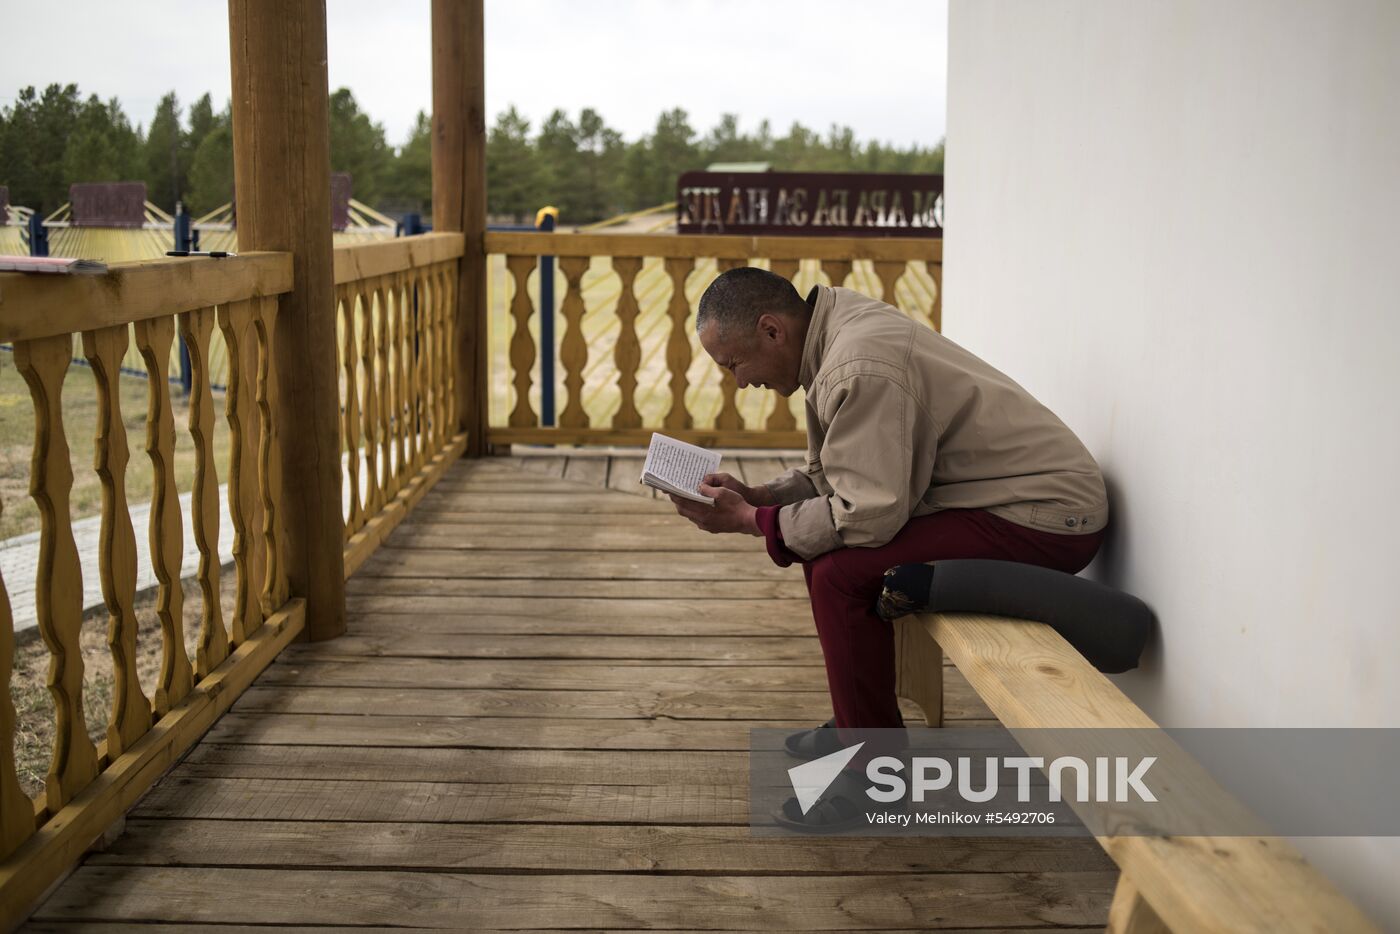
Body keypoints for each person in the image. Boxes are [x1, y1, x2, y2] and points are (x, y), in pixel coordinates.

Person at [667, 267, 1109, 827]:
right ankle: (860, 724)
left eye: (734, 364)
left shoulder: (860, 363)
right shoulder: (831, 331)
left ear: (772, 330)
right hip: (994, 501)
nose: (738, 381)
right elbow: (839, 478)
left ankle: (874, 777)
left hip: (1044, 518)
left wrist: (754, 520)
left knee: (839, 573)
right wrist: (761, 496)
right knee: (822, 550)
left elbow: (864, 514)